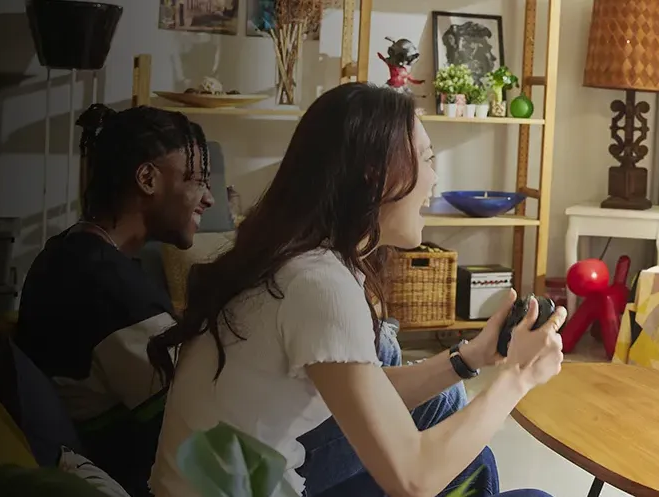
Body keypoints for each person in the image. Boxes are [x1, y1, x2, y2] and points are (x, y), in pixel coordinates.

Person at [148, 82, 567, 497]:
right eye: (426, 159)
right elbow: (413, 478)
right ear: (375, 174)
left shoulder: (296, 260)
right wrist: (519, 376)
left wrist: (471, 356)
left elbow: (369, 393)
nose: (434, 179)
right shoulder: (318, 284)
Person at [12, 103, 215, 497]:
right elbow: (195, 420)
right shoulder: (110, 289)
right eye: (196, 179)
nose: (207, 197)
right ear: (147, 178)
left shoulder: (69, 249)